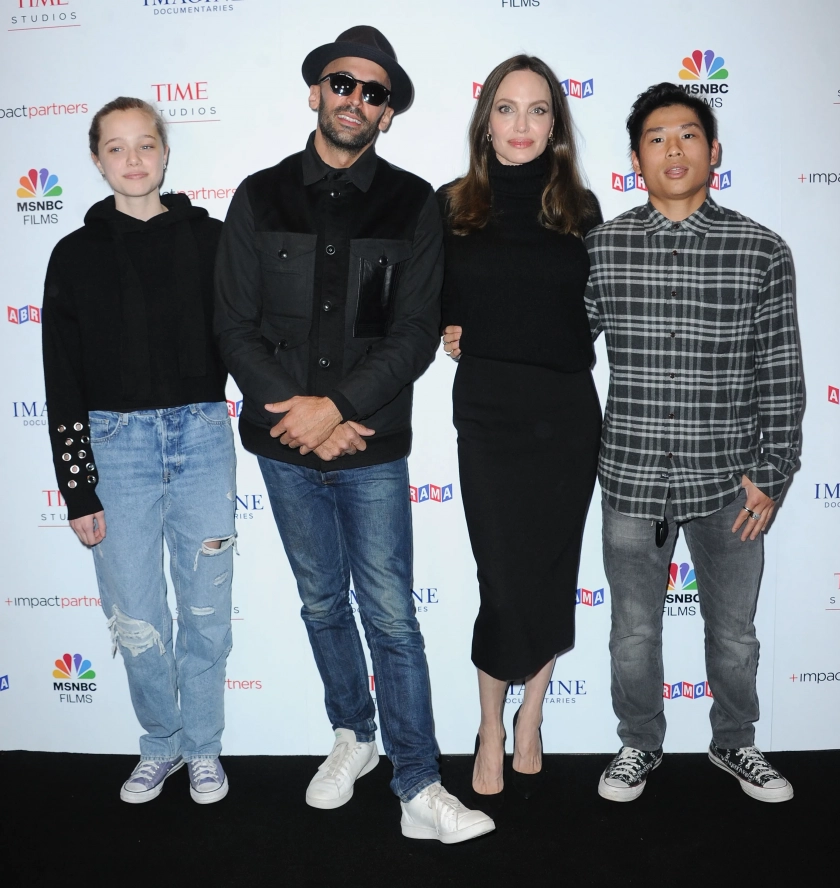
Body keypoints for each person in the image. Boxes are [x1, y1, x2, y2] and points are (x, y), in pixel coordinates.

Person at [214, 26, 494, 843]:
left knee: (392, 615)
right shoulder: (259, 195)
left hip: (369, 442)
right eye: (343, 83)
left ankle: (418, 784)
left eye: (375, 93)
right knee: (320, 602)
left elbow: (413, 334)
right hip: (282, 444)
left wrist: (334, 408)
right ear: (317, 91)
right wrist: (302, 416)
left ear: (388, 113)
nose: (356, 100)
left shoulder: (414, 203)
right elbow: (233, 326)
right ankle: (353, 736)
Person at [584, 82, 802, 803]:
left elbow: (781, 370)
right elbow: (554, 340)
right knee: (632, 635)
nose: (672, 149)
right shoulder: (603, 247)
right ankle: (638, 744)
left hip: (731, 483)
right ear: (635, 159)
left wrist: (774, 472)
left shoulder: (761, 250)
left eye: (687, 135)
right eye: (655, 138)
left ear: (714, 151)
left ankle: (735, 742)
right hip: (632, 476)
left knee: (735, 635)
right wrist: (474, 328)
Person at [42, 97, 236, 805]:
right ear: (97, 161)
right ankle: (162, 743)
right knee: (137, 616)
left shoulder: (213, 241)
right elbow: (61, 377)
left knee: (207, 611)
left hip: (202, 437)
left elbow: (248, 339)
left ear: (165, 153)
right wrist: (77, 487)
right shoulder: (73, 255)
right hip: (114, 449)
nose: (133, 159)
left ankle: (204, 747)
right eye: (116, 147)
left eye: (145, 144)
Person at [439, 55, 602, 797]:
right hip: (489, 412)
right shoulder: (450, 207)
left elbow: (592, 318)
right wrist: (449, 327)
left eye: (538, 110)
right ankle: (488, 725)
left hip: (565, 414)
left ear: (555, 124)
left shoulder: (580, 210)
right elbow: (426, 303)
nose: (522, 125)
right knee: (501, 580)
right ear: (486, 122)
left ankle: (531, 714)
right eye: (507, 108)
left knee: (550, 573)